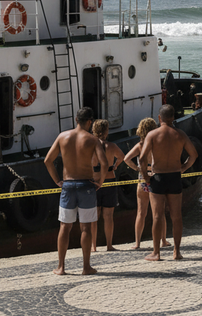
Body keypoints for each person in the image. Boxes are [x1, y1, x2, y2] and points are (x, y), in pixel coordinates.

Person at [45, 107, 107, 275]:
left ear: (75, 119)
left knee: (64, 227)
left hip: (68, 185)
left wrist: (58, 180)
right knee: (85, 228)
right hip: (86, 185)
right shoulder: (92, 139)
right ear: (89, 122)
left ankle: (61, 267)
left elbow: (47, 161)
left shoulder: (62, 137)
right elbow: (104, 163)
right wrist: (100, 182)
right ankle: (86, 267)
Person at [139, 104, 198, 261]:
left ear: (159, 118)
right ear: (174, 118)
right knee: (176, 216)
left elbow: (142, 158)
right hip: (174, 176)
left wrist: (145, 176)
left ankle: (156, 253)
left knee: (157, 216)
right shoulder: (180, 134)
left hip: (158, 177)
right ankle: (176, 252)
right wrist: (183, 168)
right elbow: (194, 155)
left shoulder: (152, 135)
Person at [124, 118, 170, 250]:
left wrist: (137, 168)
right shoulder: (157, 143)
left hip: (142, 179)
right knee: (159, 212)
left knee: (141, 212)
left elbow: (126, 158)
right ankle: (163, 240)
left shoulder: (140, 145)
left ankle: (137, 243)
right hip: (155, 176)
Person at [90, 119, 126, 252]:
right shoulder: (111, 146)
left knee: (94, 216)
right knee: (108, 216)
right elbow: (122, 156)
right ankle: (109, 245)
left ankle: (93, 246)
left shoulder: (90, 146)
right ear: (106, 131)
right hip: (109, 181)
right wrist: (115, 166)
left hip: (94, 181)